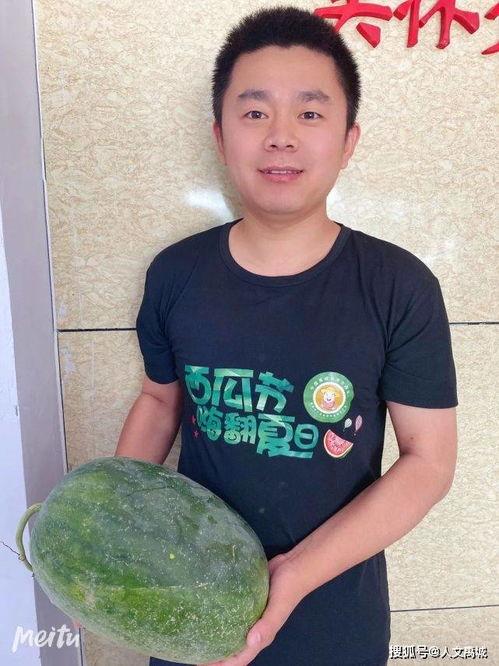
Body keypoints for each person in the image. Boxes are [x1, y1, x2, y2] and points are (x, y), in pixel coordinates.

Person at [116, 6, 458, 666]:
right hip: (187, 605)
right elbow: (159, 401)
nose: (280, 137)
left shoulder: (399, 285)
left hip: (336, 618)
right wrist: (117, 521)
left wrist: (294, 574)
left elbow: (429, 461)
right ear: (220, 137)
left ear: (348, 140)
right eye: (254, 112)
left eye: (308, 112)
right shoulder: (174, 274)